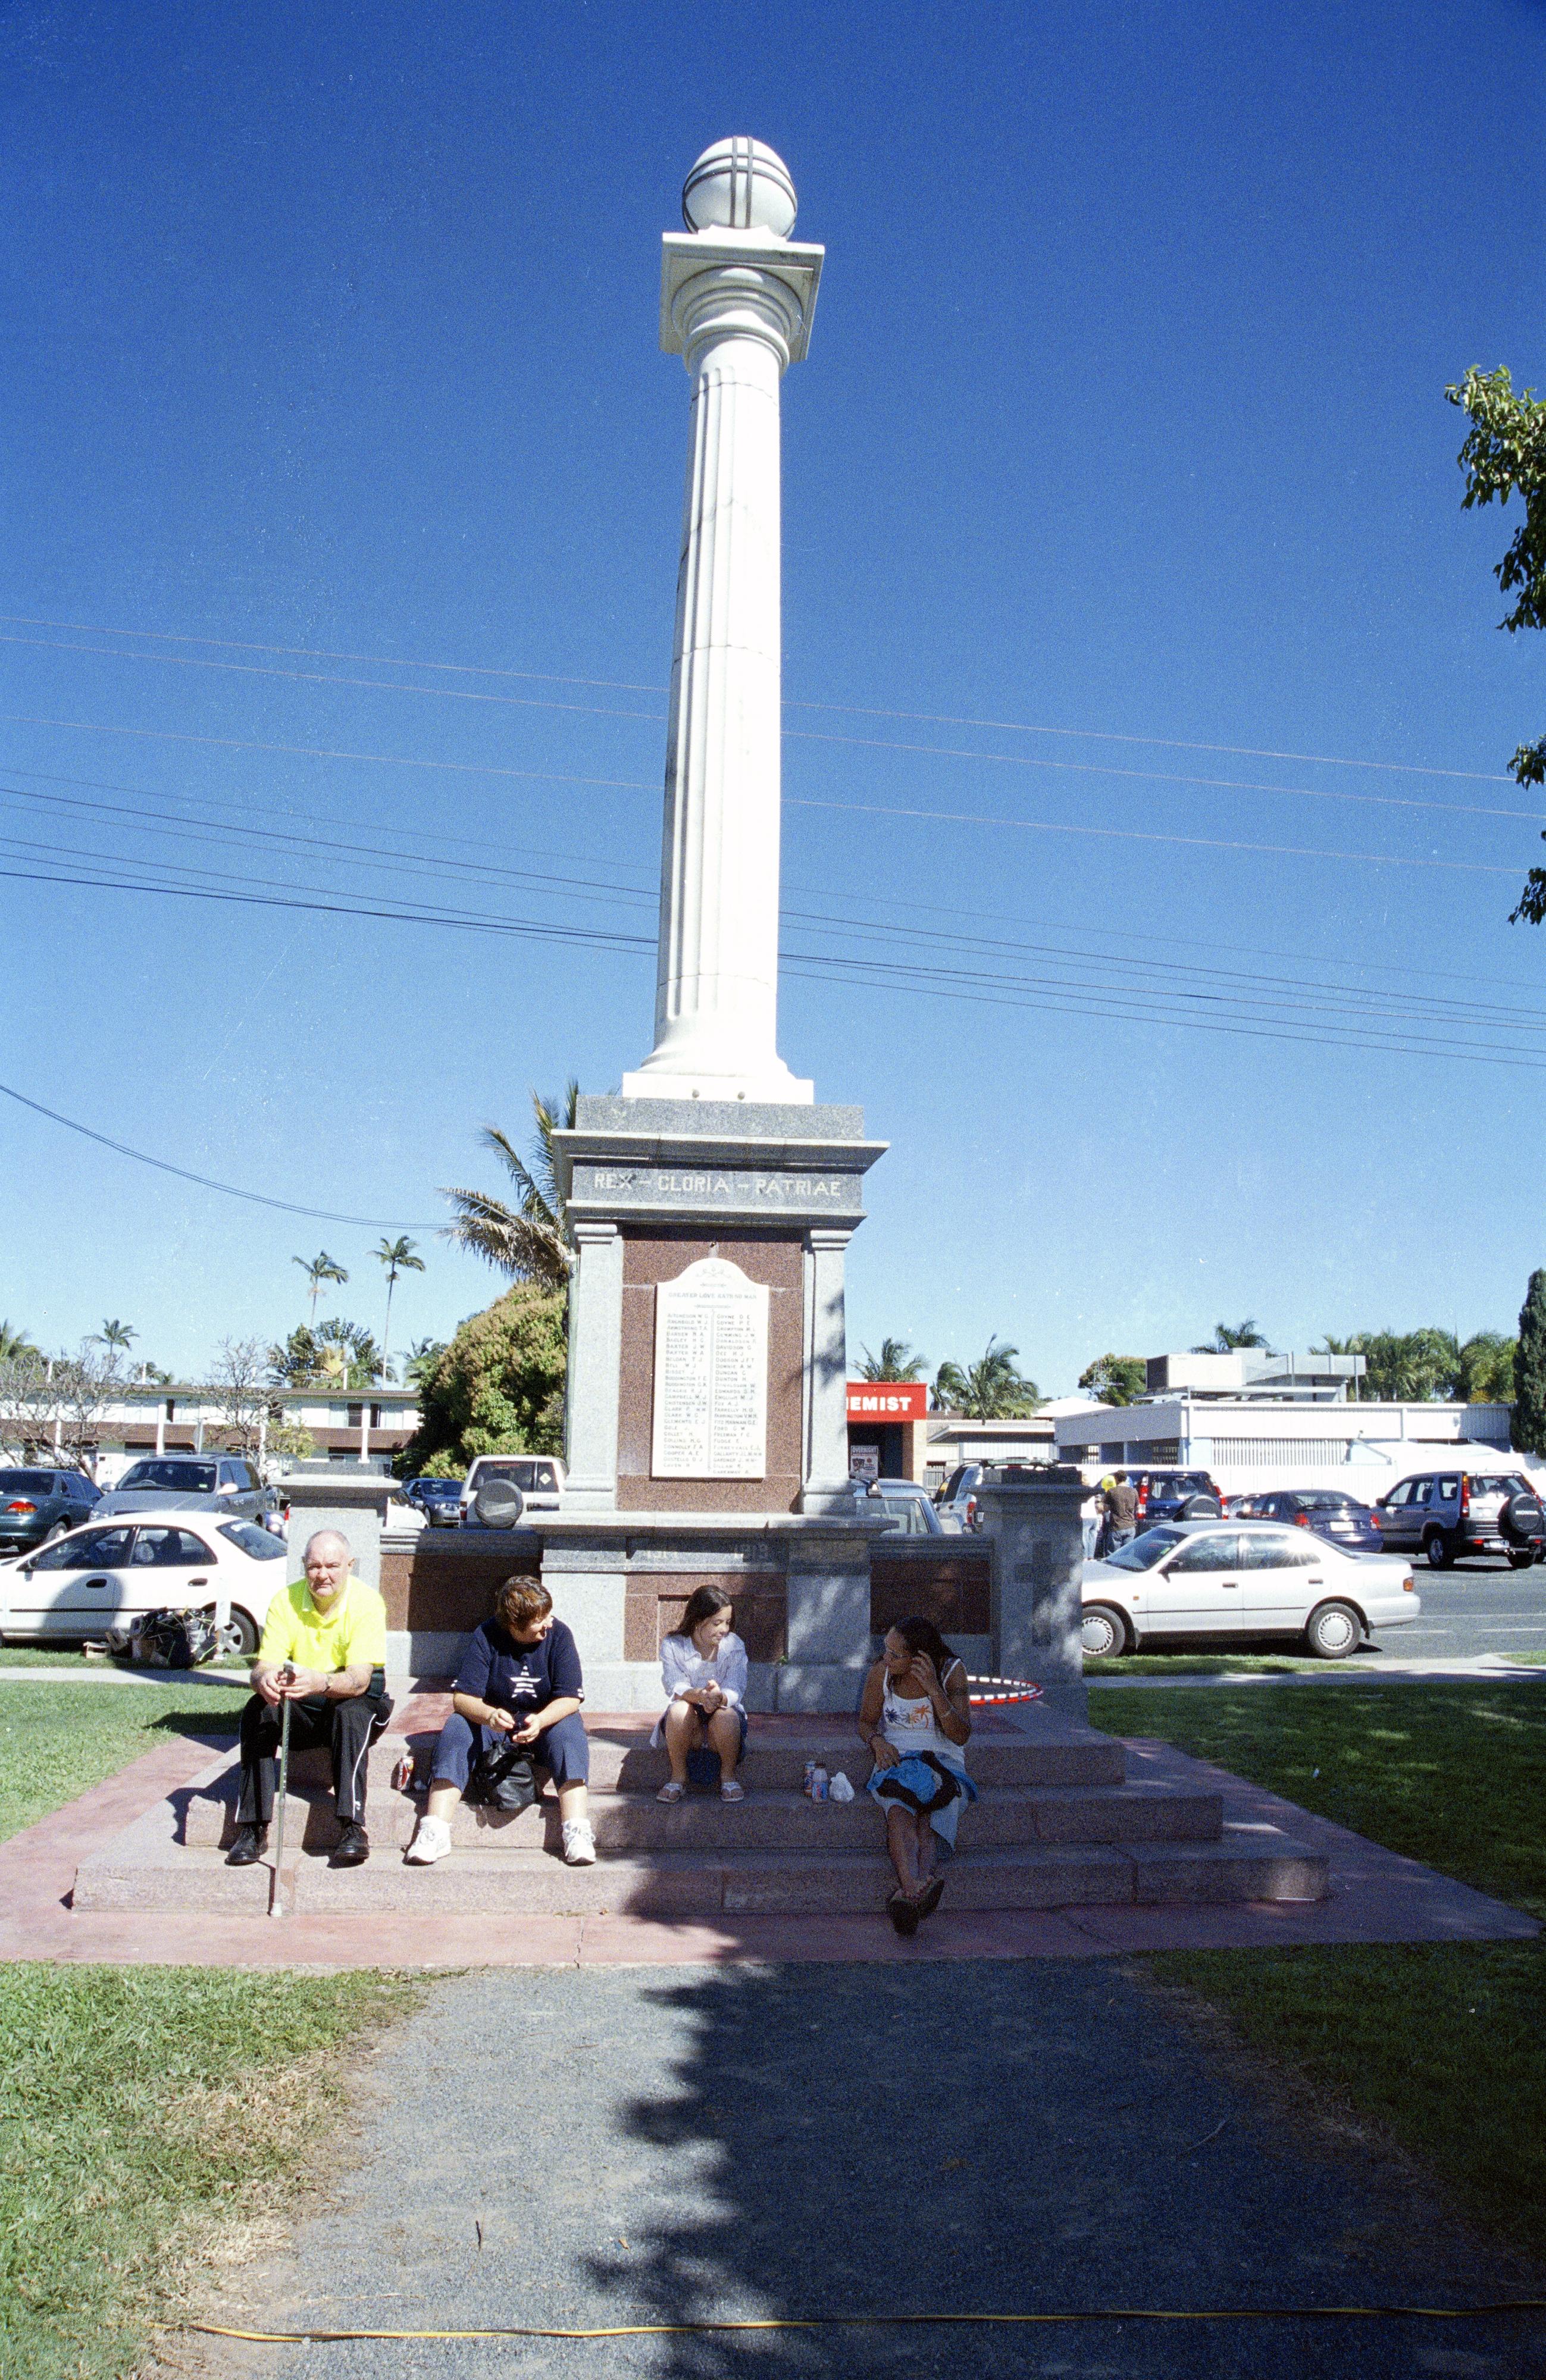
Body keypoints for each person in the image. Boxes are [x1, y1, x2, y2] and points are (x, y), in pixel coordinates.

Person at [404, 1576, 596, 1867]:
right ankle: (435, 1830)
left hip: (543, 1724)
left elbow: (571, 1698)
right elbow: (462, 1699)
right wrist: (489, 1716)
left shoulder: (559, 1634)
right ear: (514, 1626)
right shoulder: (488, 1634)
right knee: (457, 1726)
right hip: (496, 1726)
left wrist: (541, 1720)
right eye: (539, 1620)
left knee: (569, 1729)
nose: (548, 1624)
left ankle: (577, 1830)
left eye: (548, 1615)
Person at [229, 1529, 390, 1869]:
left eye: (332, 1565)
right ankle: (253, 1829)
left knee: (351, 1714)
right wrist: (265, 1681)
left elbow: (360, 1680)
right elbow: (262, 1667)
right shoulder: (285, 1601)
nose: (323, 1575)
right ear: (303, 1566)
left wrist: (320, 1681)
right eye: (314, 1566)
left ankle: (352, 1826)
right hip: (305, 1703)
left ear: (350, 1565)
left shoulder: (368, 1602)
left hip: (355, 1699)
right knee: (259, 1709)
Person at [858, 1615, 974, 1936]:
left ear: (919, 1658)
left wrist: (935, 1691)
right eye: (886, 1650)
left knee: (930, 1817)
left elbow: (961, 1735)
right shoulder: (881, 1673)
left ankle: (911, 1893)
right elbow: (866, 1723)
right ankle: (916, 1890)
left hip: (944, 1759)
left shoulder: (951, 1671)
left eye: (895, 1654)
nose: (886, 1658)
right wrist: (877, 1741)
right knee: (899, 1813)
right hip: (899, 1758)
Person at [653, 1585, 749, 1804]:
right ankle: (678, 1778)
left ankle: (728, 1777)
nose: (724, 1629)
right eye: (717, 1623)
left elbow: (736, 1686)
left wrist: (719, 1698)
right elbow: (674, 1685)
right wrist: (699, 1696)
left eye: (727, 1622)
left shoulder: (734, 1645)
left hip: (724, 1722)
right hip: (689, 1721)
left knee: (726, 1715)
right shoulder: (673, 1644)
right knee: (678, 1710)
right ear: (698, 1620)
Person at [1101, 1471, 1138, 1554]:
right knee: (1127, 1554)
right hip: (1131, 1526)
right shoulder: (1134, 1491)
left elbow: (1105, 1508)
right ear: (1126, 1479)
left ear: (1116, 1479)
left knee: (1113, 1555)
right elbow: (1138, 1508)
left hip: (1117, 1526)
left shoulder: (1112, 1492)